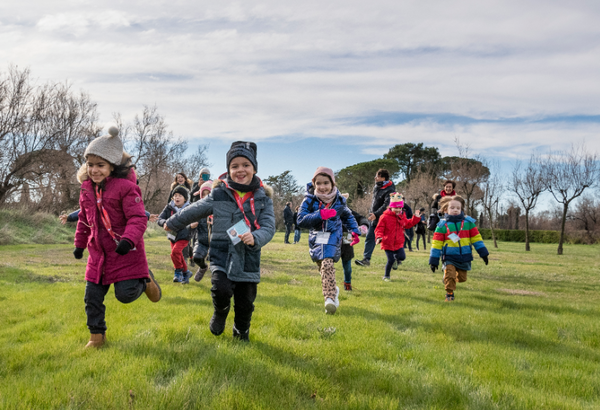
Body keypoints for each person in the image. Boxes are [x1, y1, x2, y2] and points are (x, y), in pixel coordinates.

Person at [164, 141, 275, 342]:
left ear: (254, 168)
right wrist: (173, 222)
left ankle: (241, 331)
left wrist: (255, 237)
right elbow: (195, 209)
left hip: (248, 257)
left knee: (245, 302)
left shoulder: (263, 198)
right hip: (222, 253)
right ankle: (221, 312)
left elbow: (268, 227)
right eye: (234, 166)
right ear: (228, 170)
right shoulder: (219, 193)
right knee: (220, 289)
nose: (240, 170)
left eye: (245, 165)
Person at [73, 126, 161, 349]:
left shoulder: (126, 188)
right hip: (98, 255)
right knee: (92, 298)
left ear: (112, 166)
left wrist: (128, 240)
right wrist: (79, 244)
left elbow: (138, 218)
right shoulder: (86, 189)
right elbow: (85, 219)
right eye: (90, 165)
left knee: (125, 295)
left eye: (100, 165)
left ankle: (146, 279)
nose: (94, 170)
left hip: (126, 251)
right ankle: (97, 338)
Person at [297, 167, 360, 314]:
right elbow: (300, 220)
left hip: (333, 236)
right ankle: (334, 289)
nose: (322, 187)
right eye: (318, 183)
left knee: (327, 264)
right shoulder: (309, 200)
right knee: (323, 268)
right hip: (316, 238)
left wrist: (355, 231)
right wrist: (320, 214)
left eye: (326, 183)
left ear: (332, 183)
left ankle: (330, 299)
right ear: (314, 184)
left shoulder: (339, 201)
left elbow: (348, 216)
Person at [429, 195, 489, 302]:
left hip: (464, 256)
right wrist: (434, 260)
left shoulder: (468, 223)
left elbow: (476, 239)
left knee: (462, 278)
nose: (455, 210)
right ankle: (449, 294)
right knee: (450, 275)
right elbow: (436, 244)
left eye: (458, 208)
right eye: (452, 208)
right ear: (446, 209)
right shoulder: (442, 225)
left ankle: (448, 277)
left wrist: (483, 253)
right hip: (449, 256)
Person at [374, 193, 421, 281]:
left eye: (400, 208)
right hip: (387, 242)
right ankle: (386, 276)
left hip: (399, 243)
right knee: (390, 260)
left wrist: (416, 218)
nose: (398, 209)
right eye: (396, 207)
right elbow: (379, 229)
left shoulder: (402, 216)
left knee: (402, 257)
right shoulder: (384, 217)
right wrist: (379, 237)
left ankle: (396, 260)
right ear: (390, 207)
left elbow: (407, 224)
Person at [355, 169, 396, 267]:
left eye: (377, 176)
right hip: (374, 218)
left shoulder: (390, 189)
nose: (375, 178)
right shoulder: (376, 187)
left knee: (387, 240)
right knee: (370, 238)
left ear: (383, 178)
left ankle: (394, 259)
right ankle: (366, 260)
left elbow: (387, 204)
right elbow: (375, 202)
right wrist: (372, 213)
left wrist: (376, 214)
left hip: (385, 218)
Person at [157, 186, 196, 284]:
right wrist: (165, 223)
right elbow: (160, 219)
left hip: (184, 235)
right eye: (175, 196)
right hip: (172, 236)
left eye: (180, 196)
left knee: (175, 252)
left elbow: (196, 218)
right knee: (178, 255)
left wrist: (192, 224)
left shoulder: (190, 208)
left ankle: (178, 271)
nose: (177, 198)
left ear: (185, 199)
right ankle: (186, 272)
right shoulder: (169, 207)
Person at [340, 193, 369, 291]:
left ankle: (347, 283)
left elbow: (361, 218)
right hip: (331, 240)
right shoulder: (327, 211)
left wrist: (364, 225)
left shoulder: (348, 212)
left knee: (347, 265)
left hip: (346, 239)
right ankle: (329, 285)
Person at [193, 180, 213, 282]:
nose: (206, 196)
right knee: (196, 257)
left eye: (208, 194)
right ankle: (203, 267)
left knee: (217, 265)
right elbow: (188, 220)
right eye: (203, 194)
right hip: (202, 240)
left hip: (216, 242)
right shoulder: (198, 209)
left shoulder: (218, 209)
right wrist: (191, 226)